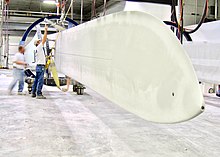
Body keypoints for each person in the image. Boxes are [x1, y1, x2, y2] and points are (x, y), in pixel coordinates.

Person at [32, 25, 48, 99]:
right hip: (41, 66)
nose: (40, 41)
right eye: (39, 41)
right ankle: (39, 94)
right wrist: (45, 30)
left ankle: (33, 93)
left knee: (36, 80)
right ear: (37, 43)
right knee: (40, 81)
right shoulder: (39, 47)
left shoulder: (36, 49)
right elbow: (44, 39)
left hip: (38, 66)